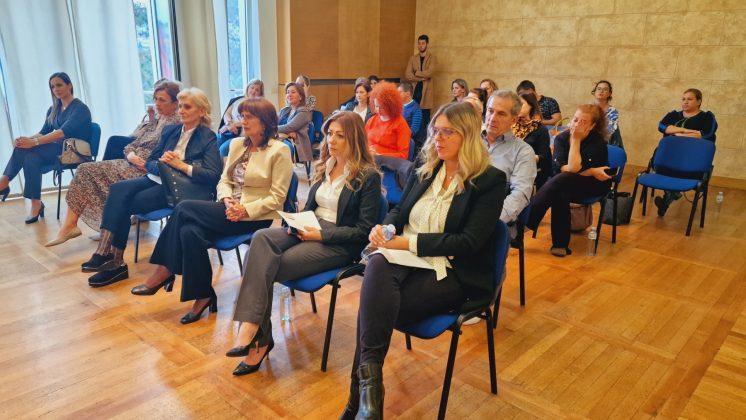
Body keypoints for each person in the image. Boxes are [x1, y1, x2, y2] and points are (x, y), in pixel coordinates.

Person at [339, 102, 506, 419]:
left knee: (372, 310)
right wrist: (386, 229)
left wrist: (407, 241)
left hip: (452, 271)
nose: (437, 139)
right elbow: (400, 212)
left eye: (448, 132)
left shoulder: (490, 180)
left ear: (468, 135)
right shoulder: (427, 166)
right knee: (377, 269)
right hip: (404, 260)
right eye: (435, 131)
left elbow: (468, 243)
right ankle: (369, 398)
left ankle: (359, 402)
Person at [226, 111, 381, 375]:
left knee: (265, 264)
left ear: (354, 139)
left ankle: (257, 337)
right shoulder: (326, 166)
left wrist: (319, 235)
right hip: (310, 225)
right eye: (329, 133)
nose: (331, 140)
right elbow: (311, 207)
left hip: (338, 242)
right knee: (261, 238)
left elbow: (363, 231)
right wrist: (295, 222)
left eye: (340, 136)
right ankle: (254, 329)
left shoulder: (368, 176)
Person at [130, 98, 293, 324]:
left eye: (249, 117)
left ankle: (165, 270)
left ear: (265, 122)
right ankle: (203, 295)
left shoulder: (279, 151)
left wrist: (244, 209)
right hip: (227, 208)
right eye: (242, 116)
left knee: (184, 208)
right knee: (189, 231)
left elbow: (277, 197)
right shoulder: (237, 144)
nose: (243, 122)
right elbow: (224, 180)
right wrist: (226, 199)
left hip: (255, 216)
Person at [82, 88, 222, 287]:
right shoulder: (170, 131)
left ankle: (115, 263)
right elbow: (150, 161)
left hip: (180, 188)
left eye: (187, 107)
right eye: (180, 106)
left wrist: (179, 165)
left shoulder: (207, 137)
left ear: (201, 111)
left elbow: (212, 175)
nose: (181, 111)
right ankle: (105, 253)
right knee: (117, 189)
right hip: (157, 178)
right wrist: (164, 165)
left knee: (124, 204)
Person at [45, 80, 182, 247]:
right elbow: (133, 143)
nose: (157, 104)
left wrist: (142, 162)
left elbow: (164, 157)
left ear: (175, 103)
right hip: (131, 162)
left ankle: (95, 226)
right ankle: (81, 226)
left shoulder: (176, 124)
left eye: (162, 100)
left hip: (144, 170)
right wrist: (130, 155)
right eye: (155, 99)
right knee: (85, 170)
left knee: (87, 171)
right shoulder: (158, 119)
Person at [0, 72, 91, 222]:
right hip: (58, 149)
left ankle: (4, 182)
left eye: (59, 85)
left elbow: (62, 132)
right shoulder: (54, 109)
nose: (56, 89)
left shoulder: (80, 108)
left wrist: (33, 143)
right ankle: (35, 203)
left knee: (28, 150)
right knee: (30, 156)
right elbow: (43, 132)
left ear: (69, 85)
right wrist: (25, 140)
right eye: (52, 87)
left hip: (74, 151)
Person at [527, 104, 611, 257]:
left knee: (561, 181)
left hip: (594, 183)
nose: (577, 124)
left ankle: (527, 222)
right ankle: (560, 245)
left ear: (592, 126)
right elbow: (565, 169)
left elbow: (572, 169)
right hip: (566, 181)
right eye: (576, 119)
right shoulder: (561, 138)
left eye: (583, 122)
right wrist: (591, 170)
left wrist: (576, 140)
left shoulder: (597, 141)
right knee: (560, 190)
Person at [654, 88, 718, 216]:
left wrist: (675, 132)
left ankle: (669, 197)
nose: (685, 102)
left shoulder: (707, 117)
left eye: (689, 99)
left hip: (692, 160)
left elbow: (705, 134)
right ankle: (671, 194)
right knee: (663, 165)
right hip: (670, 157)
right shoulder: (673, 115)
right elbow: (662, 127)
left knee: (678, 171)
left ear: (699, 101)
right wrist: (686, 131)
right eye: (683, 99)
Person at [483, 91, 536, 236]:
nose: (492, 118)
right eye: (490, 111)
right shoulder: (469, 141)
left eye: (501, 114)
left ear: (513, 120)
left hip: (494, 220)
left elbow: (520, 194)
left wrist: (487, 221)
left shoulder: (523, 151)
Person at [217, 79, 264, 157]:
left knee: (223, 149)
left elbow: (251, 121)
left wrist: (233, 125)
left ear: (260, 93)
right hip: (229, 129)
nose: (253, 91)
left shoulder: (259, 106)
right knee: (214, 142)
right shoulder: (237, 100)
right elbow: (227, 114)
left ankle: (227, 165)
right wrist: (228, 124)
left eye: (257, 90)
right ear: (248, 88)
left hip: (243, 133)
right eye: (252, 88)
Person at [514, 93, 551, 189]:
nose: (517, 107)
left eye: (521, 104)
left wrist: (525, 157)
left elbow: (544, 157)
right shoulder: (512, 125)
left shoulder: (540, 129)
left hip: (531, 169)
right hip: (511, 166)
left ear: (531, 106)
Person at [365, 81, 411, 159]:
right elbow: (363, 143)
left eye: (382, 107)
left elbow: (403, 155)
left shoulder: (401, 124)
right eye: (376, 106)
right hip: (370, 160)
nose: (378, 110)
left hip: (388, 164)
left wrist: (379, 156)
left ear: (391, 106)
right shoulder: (371, 120)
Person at [278, 82, 313, 163]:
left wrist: (269, 129)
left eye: (293, 92)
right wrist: (287, 132)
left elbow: (288, 127)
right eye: (288, 92)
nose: (289, 95)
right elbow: (273, 123)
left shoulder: (304, 112)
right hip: (282, 138)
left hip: (297, 145)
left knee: (282, 148)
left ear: (300, 97)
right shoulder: (285, 110)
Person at [404, 34, 435, 123]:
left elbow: (430, 73)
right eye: (419, 43)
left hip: (427, 90)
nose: (420, 45)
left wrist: (417, 73)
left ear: (427, 44)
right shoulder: (412, 58)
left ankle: (425, 132)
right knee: (414, 113)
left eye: (423, 43)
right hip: (415, 89)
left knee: (425, 116)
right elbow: (408, 74)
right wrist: (420, 78)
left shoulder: (432, 58)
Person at [592, 80, 622, 147]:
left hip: (606, 143)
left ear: (609, 94)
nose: (601, 91)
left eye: (605, 89)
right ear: (594, 92)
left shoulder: (612, 111)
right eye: (599, 89)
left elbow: (608, 133)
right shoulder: (587, 108)